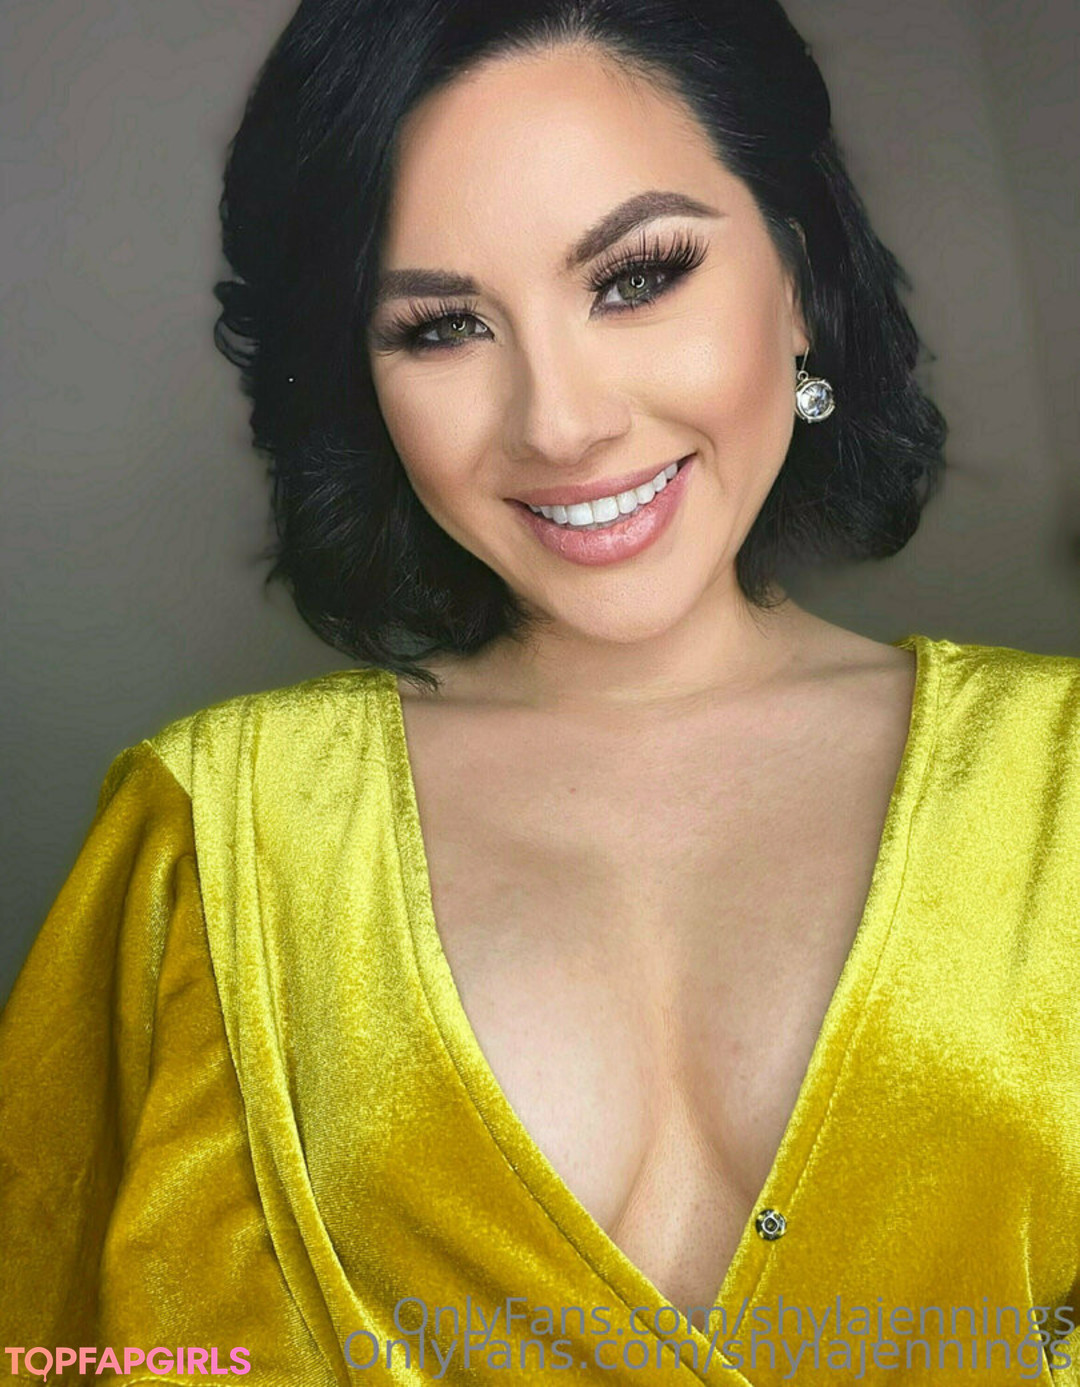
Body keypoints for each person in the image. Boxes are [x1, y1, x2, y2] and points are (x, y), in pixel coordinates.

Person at [2, 0, 1077, 1382]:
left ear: (801, 279)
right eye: (443, 327)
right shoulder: (216, 835)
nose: (559, 423)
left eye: (637, 278)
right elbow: (61, 1347)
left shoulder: (1061, 778)